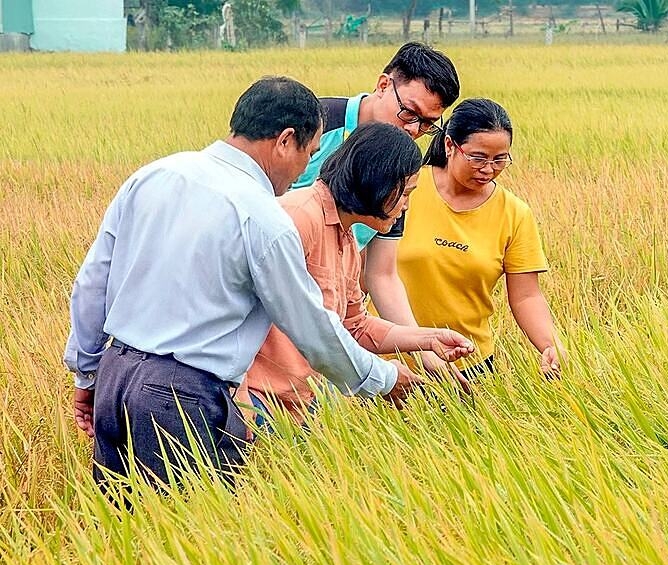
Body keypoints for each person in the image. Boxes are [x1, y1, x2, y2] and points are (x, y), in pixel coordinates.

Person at [63, 76, 472, 493]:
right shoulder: (265, 217)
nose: (306, 169)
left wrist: (87, 374)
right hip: (182, 394)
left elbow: (92, 284)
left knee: (122, 523)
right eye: (308, 153)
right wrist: (384, 379)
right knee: (191, 527)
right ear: (285, 141)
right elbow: (311, 328)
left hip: (115, 376)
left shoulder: (154, 175)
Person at [242, 123, 473, 423]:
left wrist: (429, 339)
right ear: (377, 182)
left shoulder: (348, 240)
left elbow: (356, 326)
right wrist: (239, 397)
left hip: (301, 405)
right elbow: (237, 308)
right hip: (258, 402)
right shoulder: (298, 217)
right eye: (405, 193)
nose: (406, 206)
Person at [292, 42, 464, 385]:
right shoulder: (315, 125)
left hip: (331, 320)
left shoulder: (399, 168)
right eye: (409, 113)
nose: (413, 130)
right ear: (384, 85)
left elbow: (381, 275)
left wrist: (427, 353)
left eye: (427, 124)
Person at [396, 98, 563, 380]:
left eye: (499, 160)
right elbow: (363, 270)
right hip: (393, 363)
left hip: (469, 365)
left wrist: (550, 345)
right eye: (478, 158)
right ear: (449, 145)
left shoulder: (514, 214)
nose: (488, 169)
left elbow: (526, 296)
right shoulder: (406, 188)